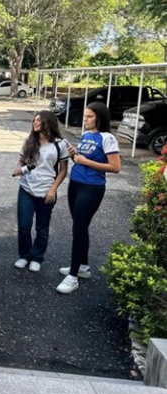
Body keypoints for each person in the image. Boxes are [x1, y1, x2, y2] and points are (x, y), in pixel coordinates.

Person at [56, 102, 121, 294]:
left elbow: (115, 167)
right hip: (75, 184)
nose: (85, 120)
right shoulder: (85, 135)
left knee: (79, 229)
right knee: (80, 227)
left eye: (89, 116)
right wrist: (75, 155)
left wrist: (86, 161)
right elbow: (81, 160)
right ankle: (82, 266)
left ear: (100, 117)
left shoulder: (107, 138)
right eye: (84, 116)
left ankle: (73, 277)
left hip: (91, 188)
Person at [12, 111, 69, 272]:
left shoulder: (60, 144)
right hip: (26, 188)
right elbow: (20, 162)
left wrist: (53, 189)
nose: (35, 123)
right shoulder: (29, 142)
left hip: (46, 190)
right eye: (34, 120)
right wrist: (18, 170)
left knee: (42, 227)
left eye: (38, 120)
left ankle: (37, 257)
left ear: (47, 123)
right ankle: (24, 255)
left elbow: (63, 170)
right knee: (24, 226)